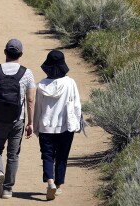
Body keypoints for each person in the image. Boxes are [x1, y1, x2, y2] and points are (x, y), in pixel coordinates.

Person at [0, 39, 36, 199]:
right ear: (20, 54)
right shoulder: (26, 73)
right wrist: (30, 123)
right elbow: (30, 100)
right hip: (17, 119)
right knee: (13, 155)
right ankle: (7, 189)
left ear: (5, 52)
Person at [34, 50, 82, 201]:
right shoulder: (70, 83)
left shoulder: (41, 85)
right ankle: (59, 185)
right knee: (62, 156)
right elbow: (76, 105)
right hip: (65, 126)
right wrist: (78, 123)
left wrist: (35, 126)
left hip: (46, 127)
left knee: (47, 155)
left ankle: (50, 183)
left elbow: (38, 108)